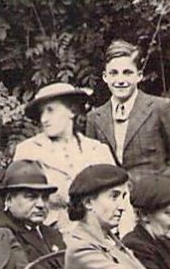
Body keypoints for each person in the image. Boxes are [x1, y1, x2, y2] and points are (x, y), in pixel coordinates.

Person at [62, 164, 170, 269]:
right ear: (88, 202)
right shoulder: (80, 249)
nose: (122, 207)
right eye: (114, 196)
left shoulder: (110, 240)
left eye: (123, 197)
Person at [11, 83, 115, 228]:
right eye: (41, 113)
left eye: (50, 110)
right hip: (50, 237)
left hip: (97, 233)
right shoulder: (29, 151)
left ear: (72, 111)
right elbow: (20, 204)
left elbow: (118, 197)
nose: (44, 119)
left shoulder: (97, 150)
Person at [84, 39, 170, 175]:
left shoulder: (160, 108)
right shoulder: (95, 118)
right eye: (114, 73)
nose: (120, 80)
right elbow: (91, 171)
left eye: (127, 72)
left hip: (154, 192)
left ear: (139, 76)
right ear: (105, 77)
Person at [0, 160, 64, 262]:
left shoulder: (53, 234)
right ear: (9, 200)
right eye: (31, 197)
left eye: (45, 197)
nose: (41, 204)